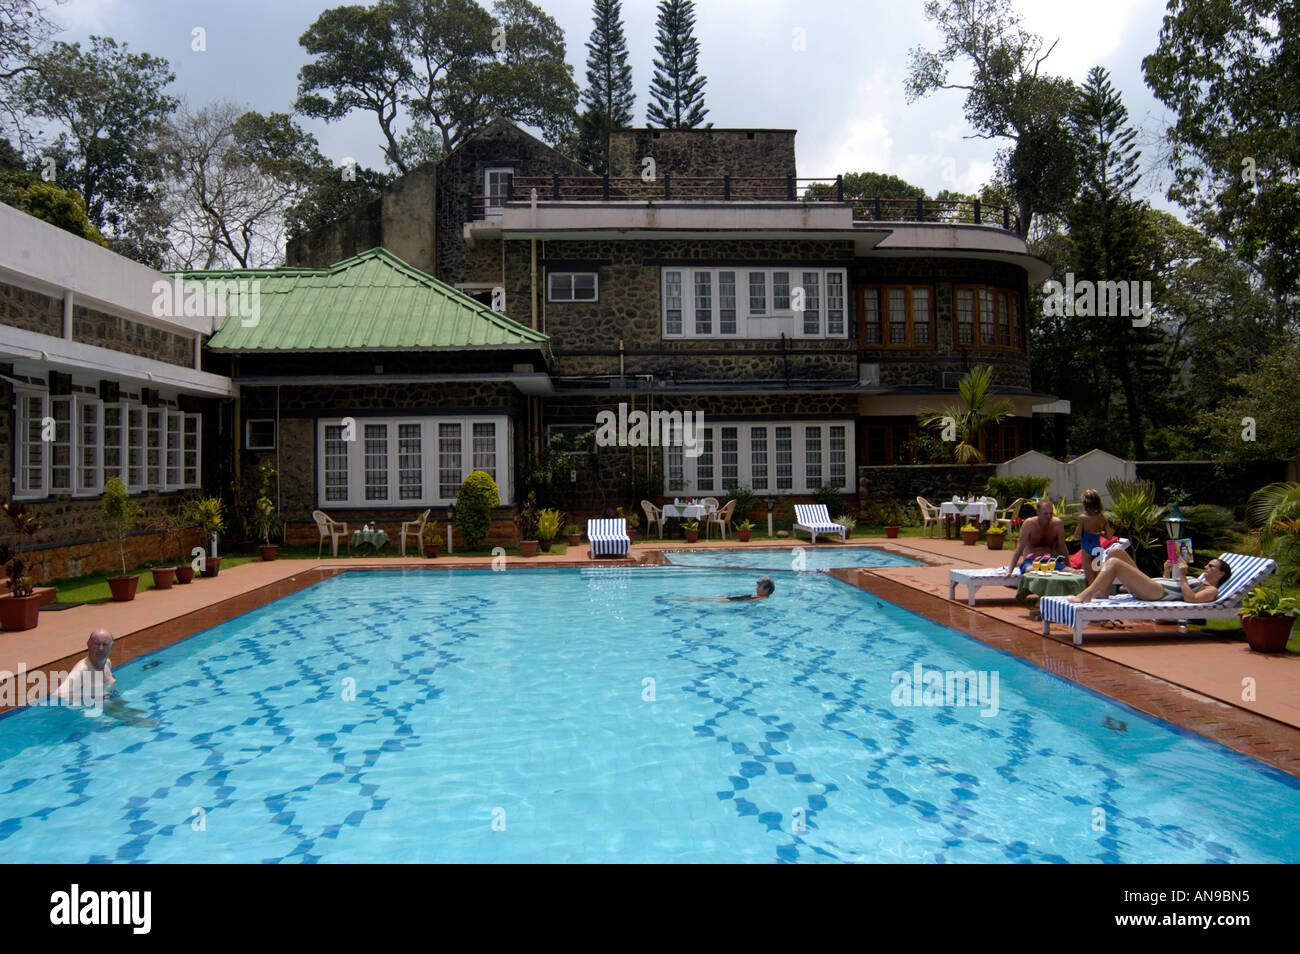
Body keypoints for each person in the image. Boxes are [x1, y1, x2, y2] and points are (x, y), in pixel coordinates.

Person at [1066, 549, 1231, 604]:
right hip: (1154, 585)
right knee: (1117, 552)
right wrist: (1166, 573)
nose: (1205, 567)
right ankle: (1102, 592)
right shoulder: (1200, 581)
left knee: (1115, 562)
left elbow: (1191, 599)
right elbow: (1174, 586)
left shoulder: (1211, 590)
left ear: (1221, 573)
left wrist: (1182, 576)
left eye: (1211, 566)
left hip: (1157, 592)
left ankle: (1087, 594)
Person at [1002, 498, 1070, 575]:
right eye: (1046, 513)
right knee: (1032, 570)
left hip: (1050, 562)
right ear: (1038, 512)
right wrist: (1010, 571)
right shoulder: (1029, 524)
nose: (1049, 516)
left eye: (1051, 514)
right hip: (1031, 561)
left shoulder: (1057, 524)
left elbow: (1062, 547)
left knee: (1071, 571)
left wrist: (1069, 566)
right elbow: (1019, 548)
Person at [56, 629, 116, 704]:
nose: (101, 648)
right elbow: (59, 694)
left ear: (111, 646)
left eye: (104, 644)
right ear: (88, 645)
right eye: (96, 644)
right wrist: (92, 697)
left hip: (108, 701)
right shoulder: (82, 670)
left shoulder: (107, 663)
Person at [1075, 489, 1113, 586]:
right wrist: (1100, 533)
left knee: (1090, 582)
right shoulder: (1102, 518)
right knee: (1098, 580)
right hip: (1097, 548)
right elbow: (1109, 536)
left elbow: (1077, 536)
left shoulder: (1083, 518)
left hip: (1086, 548)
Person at [658, 577, 775, 602]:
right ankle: (670, 599)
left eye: (759, 586)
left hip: (731, 601)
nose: (756, 588)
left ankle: (670, 599)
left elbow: (746, 601)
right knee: (700, 599)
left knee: (700, 599)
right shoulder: (758, 597)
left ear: (766, 589)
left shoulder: (759, 599)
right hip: (731, 599)